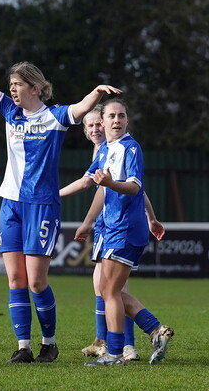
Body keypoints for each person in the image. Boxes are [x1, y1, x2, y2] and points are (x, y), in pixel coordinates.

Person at [0, 56, 121, 363]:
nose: (12, 90)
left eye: (17, 84)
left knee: (36, 281)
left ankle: (49, 343)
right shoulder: (10, 112)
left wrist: (97, 92)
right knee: (15, 280)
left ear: (35, 88)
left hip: (42, 206)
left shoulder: (54, 117)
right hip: (11, 204)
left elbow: (80, 108)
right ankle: (23, 346)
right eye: (10, 85)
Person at [60, 105, 166, 362]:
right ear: (103, 121)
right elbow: (90, 183)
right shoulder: (106, 150)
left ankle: (118, 350)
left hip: (125, 227)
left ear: (127, 120)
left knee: (110, 292)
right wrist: (55, 196)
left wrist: (108, 184)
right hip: (111, 228)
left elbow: (134, 187)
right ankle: (153, 331)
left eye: (121, 116)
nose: (116, 120)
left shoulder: (130, 148)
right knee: (109, 290)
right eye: (111, 116)